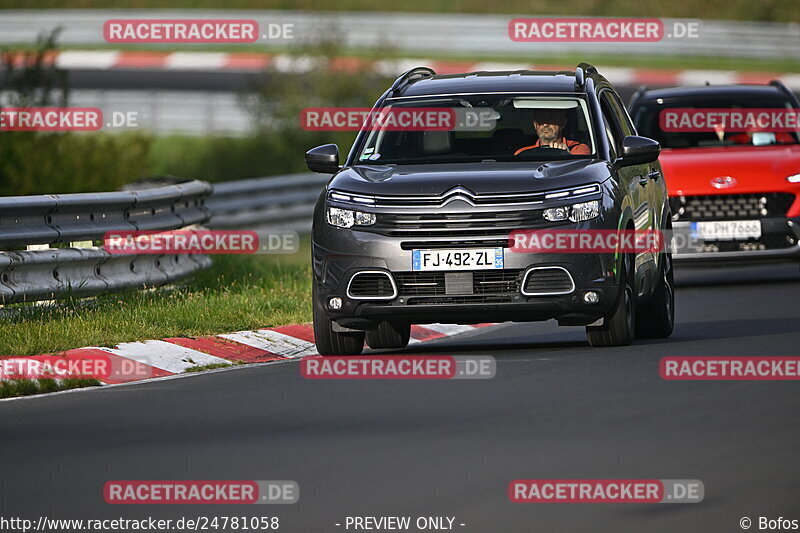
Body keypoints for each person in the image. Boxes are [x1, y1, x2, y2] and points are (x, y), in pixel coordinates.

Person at [514, 109, 590, 155]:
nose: (545, 124)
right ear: (535, 125)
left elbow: (577, 175)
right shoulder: (522, 153)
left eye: (551, 118)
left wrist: (567, 156)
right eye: (541, 119)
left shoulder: (578, 149)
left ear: (563, 123)